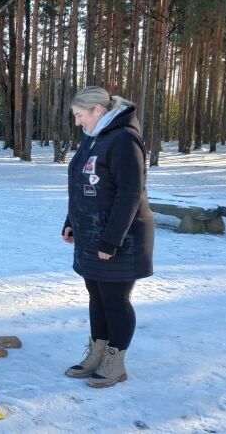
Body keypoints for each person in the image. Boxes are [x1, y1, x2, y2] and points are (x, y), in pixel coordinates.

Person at [62, 85, 154, 388]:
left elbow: (130, 194)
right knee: (96, 297)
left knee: (115, 300)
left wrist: (111, 241)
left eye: (79, 115)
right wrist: (71, 221)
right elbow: (81, 185)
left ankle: (116, 362)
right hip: (91, 235)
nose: (77, 122)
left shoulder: (125, 140)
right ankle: (97, 353)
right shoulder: (94, 138)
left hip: (120, 240)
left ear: (97, 111)